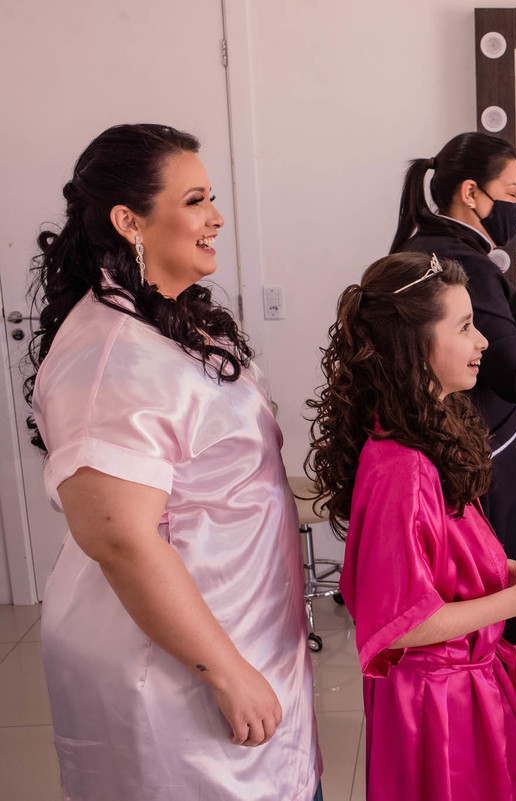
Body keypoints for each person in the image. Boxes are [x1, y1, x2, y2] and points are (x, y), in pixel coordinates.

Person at [26, 124, 320, 801]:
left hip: (239, 629)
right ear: (129, 220)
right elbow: (120, 537)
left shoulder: (172, 322)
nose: (215, 216)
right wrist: (224, 671)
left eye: (212, 196)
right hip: (172, 670)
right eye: (194, 200)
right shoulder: (111, 356)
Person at [307, 252, 516, 801]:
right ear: (416, 345)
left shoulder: (425, 437)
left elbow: (438, 566)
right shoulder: (401, 468)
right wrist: (514, 602)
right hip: (433, 706)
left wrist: (512, 570)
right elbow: (399, 624)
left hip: (459, 689)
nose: (484, 343)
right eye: (465, 327)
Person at [389, 132, 516, 735]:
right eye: (513, 191)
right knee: (506, 641)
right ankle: (515, 767)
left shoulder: (421, 249)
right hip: (482, 463)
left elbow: (493, 360)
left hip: (456, 452)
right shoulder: (468, 267)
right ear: (472, 194)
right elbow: (515, 377)